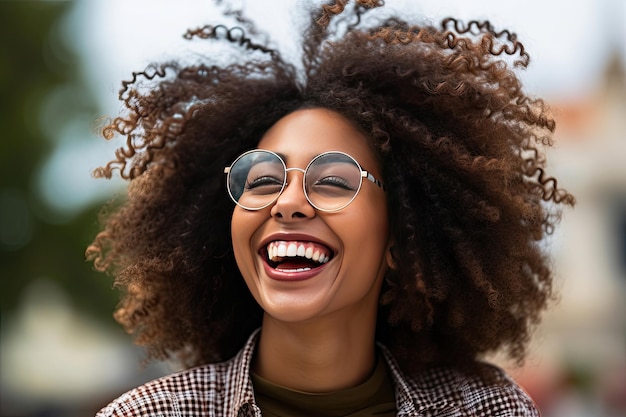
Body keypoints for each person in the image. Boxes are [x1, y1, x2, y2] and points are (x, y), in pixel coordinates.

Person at [88, 1, 575, 415]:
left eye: (335, 181)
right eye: (261, 178)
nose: (289, 203)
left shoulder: (484, 409)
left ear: (400, 239)